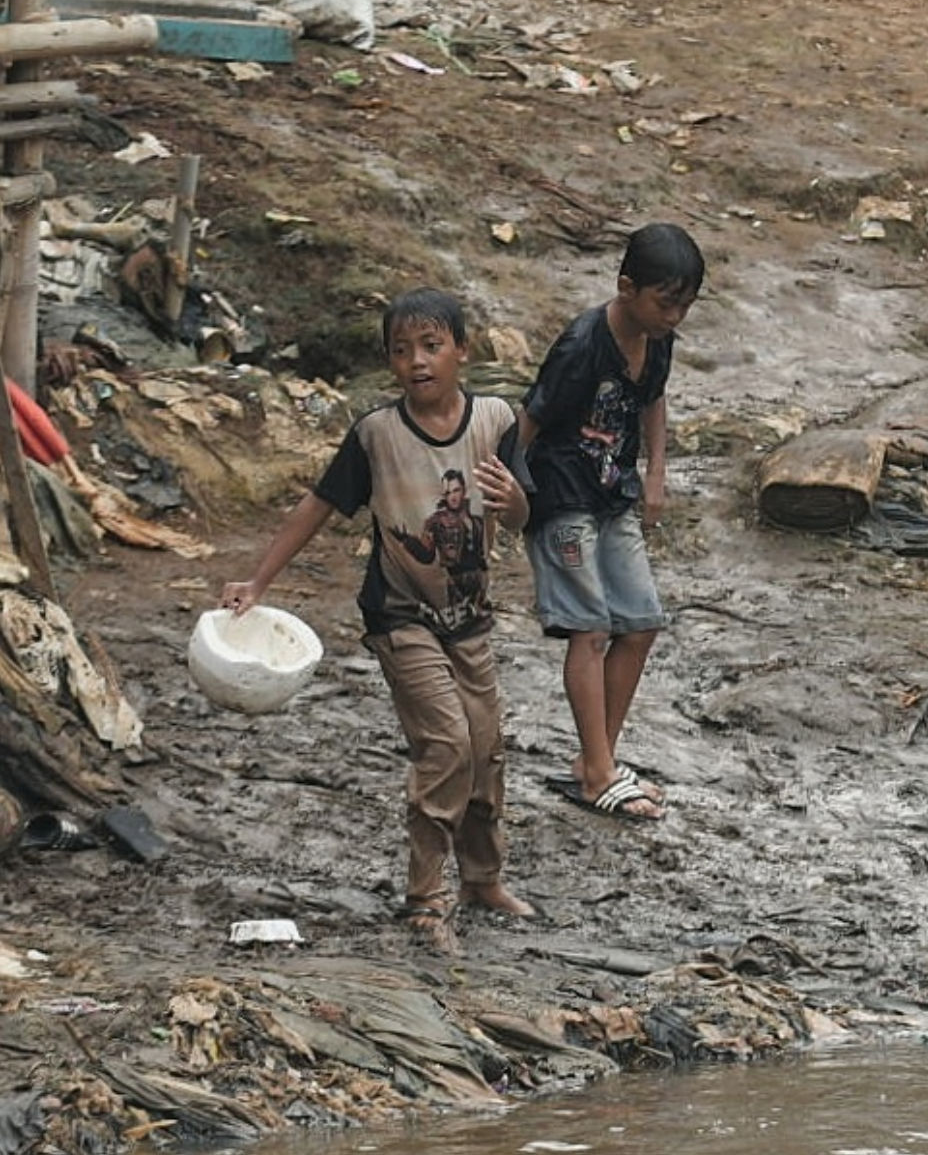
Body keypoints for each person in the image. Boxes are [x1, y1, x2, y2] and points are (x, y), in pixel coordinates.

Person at [222, 288, 536, 947]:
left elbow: (521, 510)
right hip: (400, 614)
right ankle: (427, 896)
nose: (417, 362)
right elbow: (318, 506)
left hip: (470, 616)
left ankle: (483, 876)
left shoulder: (498, 419)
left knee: (485, 749)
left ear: (462, 352)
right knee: (446, 745)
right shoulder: (376, 435)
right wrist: (258, 581)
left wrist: (515, 505)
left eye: (431, 347)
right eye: (402, 351)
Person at [519, 222, 703, 820]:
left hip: (613, 491)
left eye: (684, 306)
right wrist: (507, 499)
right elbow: (529, 421)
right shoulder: (582, 346)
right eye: (664, 302)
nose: (674, 316)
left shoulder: (657, 336)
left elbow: (653, 398)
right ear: (626, 287)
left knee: (641, 622)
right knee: (590, 630)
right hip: (562, 495)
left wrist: (655, 473)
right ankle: (599, 773)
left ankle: (596, 758)